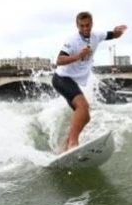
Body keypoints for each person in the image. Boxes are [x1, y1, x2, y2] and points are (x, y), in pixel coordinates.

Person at [52, 11, 127, 153]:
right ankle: (73, 145)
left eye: (88, 25)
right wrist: (78, 55)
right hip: (61, 79)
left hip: (72, 81)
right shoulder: (72, 40)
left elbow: (111, 35)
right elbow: (59, 60)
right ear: (77, 26)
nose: (85, 28)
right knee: (82, 106)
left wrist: (118, 32)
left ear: (92, 24)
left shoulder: (96, 36)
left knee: (85, 116)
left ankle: (63, 149)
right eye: (82, 26)